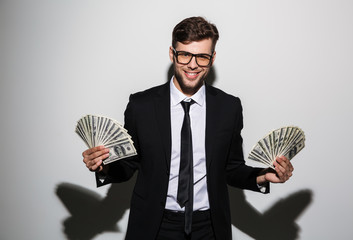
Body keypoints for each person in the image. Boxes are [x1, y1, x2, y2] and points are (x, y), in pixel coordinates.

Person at [82, 16, 294, 240]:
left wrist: (264, 175)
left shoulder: (229, 107)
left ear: (212, 59)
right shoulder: (141, 106)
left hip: (209, 228)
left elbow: (231, 169)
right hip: (154, 226)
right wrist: (102, 167)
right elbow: (128, 164)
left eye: (202, 56)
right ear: (172, 54)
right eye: (185, 54)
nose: (193, 65)